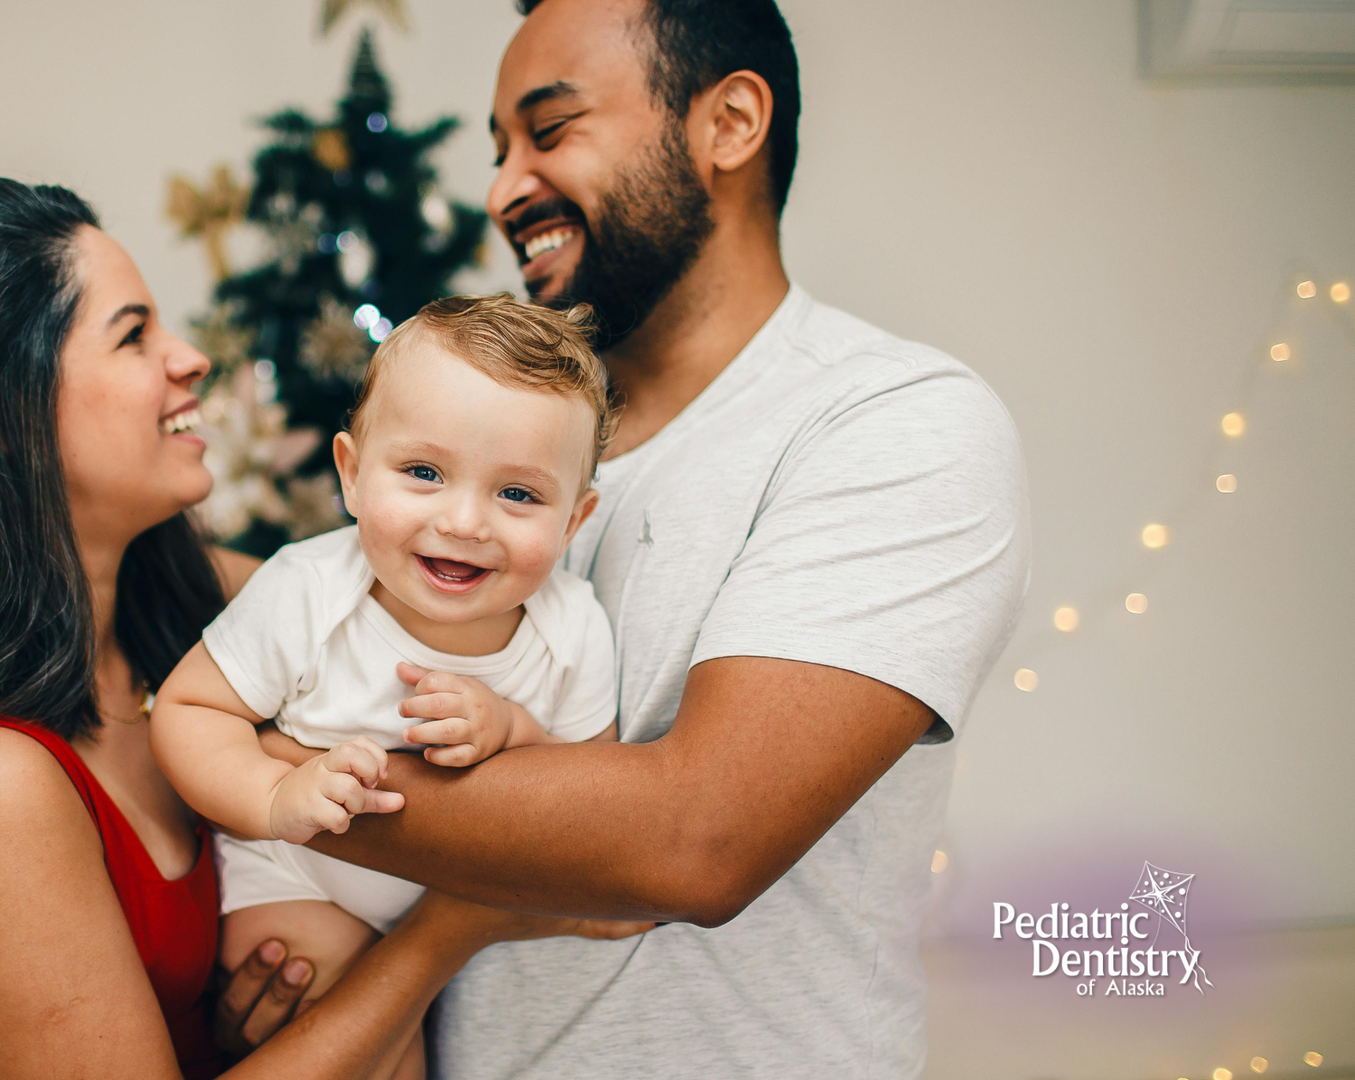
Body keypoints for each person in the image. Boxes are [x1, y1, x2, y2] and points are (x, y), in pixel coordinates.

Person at [251, 1, 1032, 1076]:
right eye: (498, 150)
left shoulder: (893, 420)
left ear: (731, 122)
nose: (502, 189)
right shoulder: (502, 454)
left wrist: (259, 761)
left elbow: (694, 840)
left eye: (551, 130)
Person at [0, 178, 648, 1080]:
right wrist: (457, 923)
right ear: (9, 415)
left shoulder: (189, 604)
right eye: (133, 335)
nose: (191, 358)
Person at [151, 296, 623, 1080]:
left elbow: (596, 790)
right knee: (373, 1036)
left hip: (441, 911)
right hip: (297, 883)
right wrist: (274, 794)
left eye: (518, 494)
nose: (466, 520)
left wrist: (511, 729)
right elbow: (191, 710)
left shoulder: (571, 628)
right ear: (352, 474)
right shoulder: (308, 588)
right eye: (424, 473)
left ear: (574, 522)